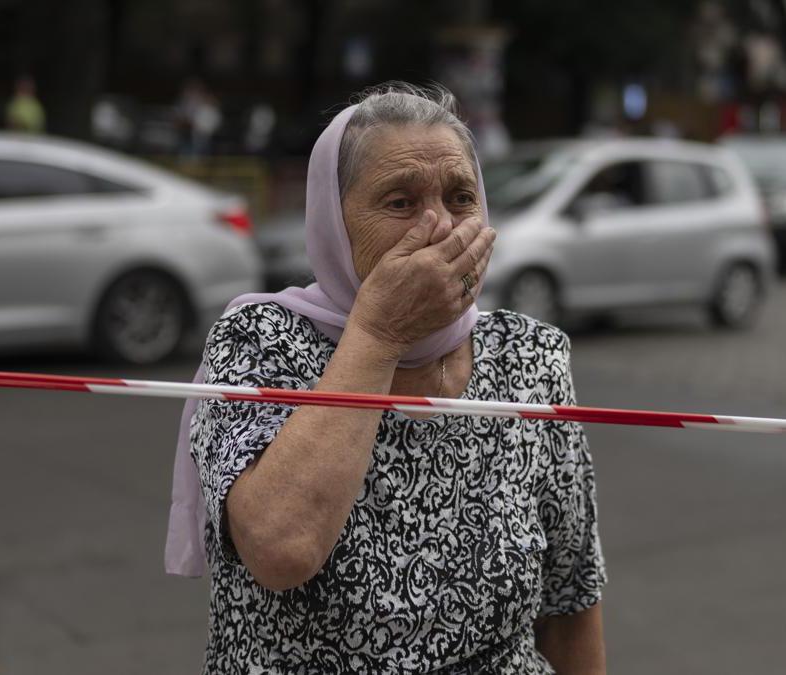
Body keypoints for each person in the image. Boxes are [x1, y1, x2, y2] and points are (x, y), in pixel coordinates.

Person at [166, 82, 607, 674]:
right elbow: (280, 549)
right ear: (333, 220)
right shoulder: (262, 339)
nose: (441, 228)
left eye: (460, 198)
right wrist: (378, 335)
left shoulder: (530, 355)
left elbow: (571, 596)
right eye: (400, 202)